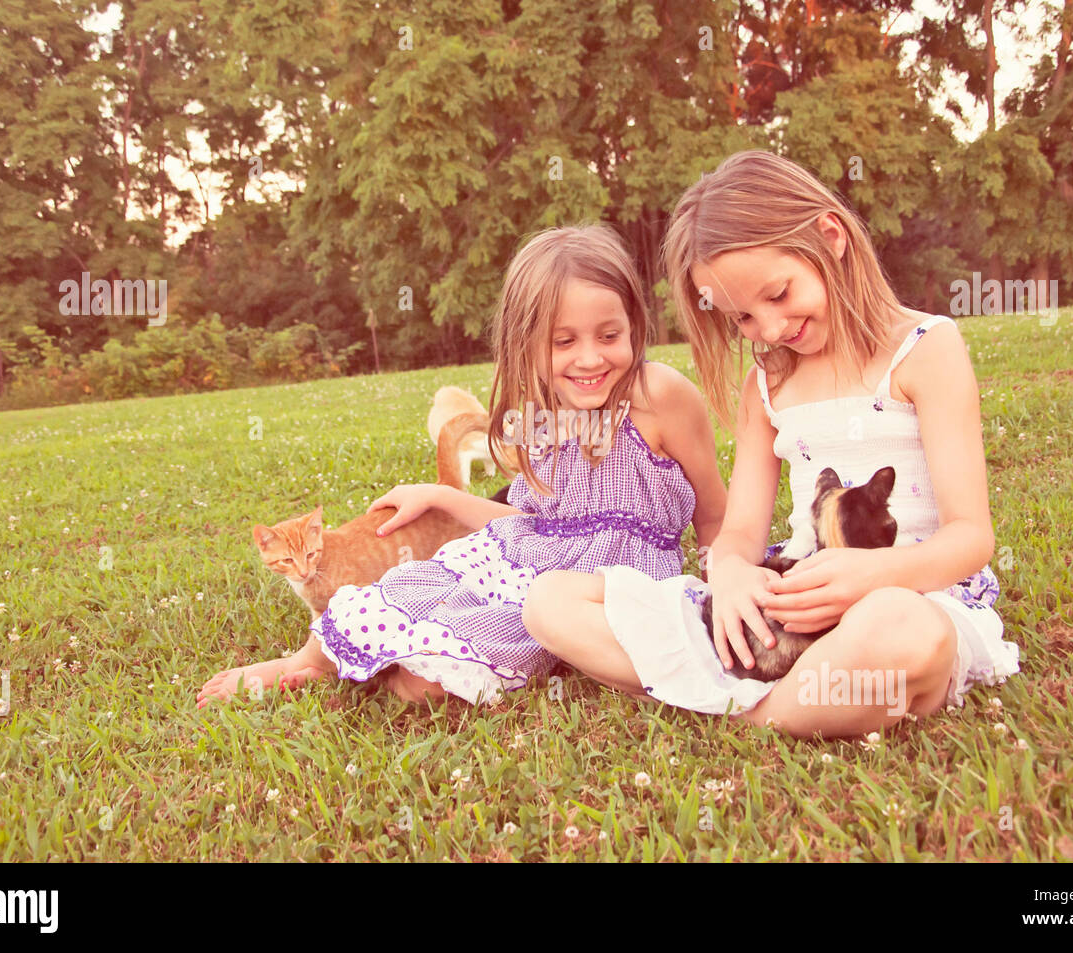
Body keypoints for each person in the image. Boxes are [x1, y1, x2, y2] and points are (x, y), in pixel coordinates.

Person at [522, 152, 1019, 737]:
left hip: (907, 596)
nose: (772, 329)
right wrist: (731, 574)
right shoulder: (768, 384)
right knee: (549, 602)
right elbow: (738, 533)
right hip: (795, 604)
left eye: (780, 295)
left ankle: (749, 716)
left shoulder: (924, 349)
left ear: (829, 237)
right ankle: (790, 695)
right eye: (744, 319)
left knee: (909, 636)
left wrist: (871, 578)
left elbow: (970, 536)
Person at [198, 223, 726, 708]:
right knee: (410, 584)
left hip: (601, 588)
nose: (590, 359)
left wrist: (719, 591)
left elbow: (714, 515)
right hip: (522, 559)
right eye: (563, 341)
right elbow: (535, 528)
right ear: (527, 343)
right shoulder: (541, 412)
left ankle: (392, 664)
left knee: (421, 689)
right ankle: (305, 663)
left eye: (609, 336)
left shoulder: (660, 396)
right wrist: (440, 496)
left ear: (634, 324)